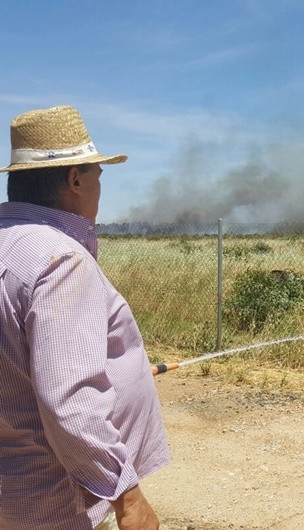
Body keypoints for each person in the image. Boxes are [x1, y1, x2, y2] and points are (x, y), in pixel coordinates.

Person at [0, 106, 170, 529]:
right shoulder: (60, 260)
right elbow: (70, 403)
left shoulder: (10, 246)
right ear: (75, 179)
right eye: (97, 176)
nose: (99, 189)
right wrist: (127, 499)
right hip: (55, 500)